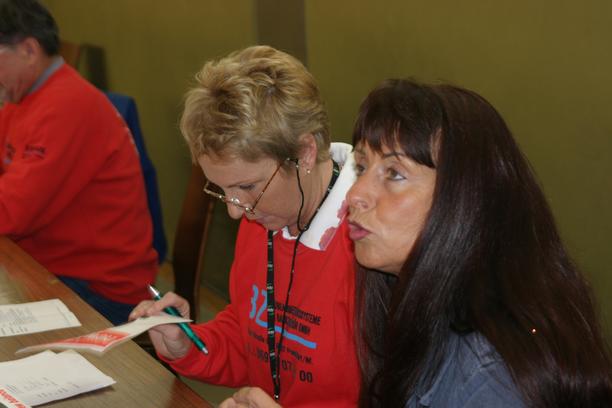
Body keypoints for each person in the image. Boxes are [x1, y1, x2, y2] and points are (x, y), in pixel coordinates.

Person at [346, 79, 612, 407]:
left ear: (463, 199)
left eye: (394, 174)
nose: (355, 194)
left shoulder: (489, 375)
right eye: (361, 167)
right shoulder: (422, 311)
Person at [130, 45, 359, 407]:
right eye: (221, 190)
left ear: (304, 153)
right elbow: (252, 337)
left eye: (247, 186)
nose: (235, 212)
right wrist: (189, 345)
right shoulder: (264, 214)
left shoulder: (373, 243)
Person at [0, 0, 158, 325]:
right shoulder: (23, 97)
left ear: (28, 50)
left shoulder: (66, 106)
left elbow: (9, 214)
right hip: (51, 267)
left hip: (100, 291)